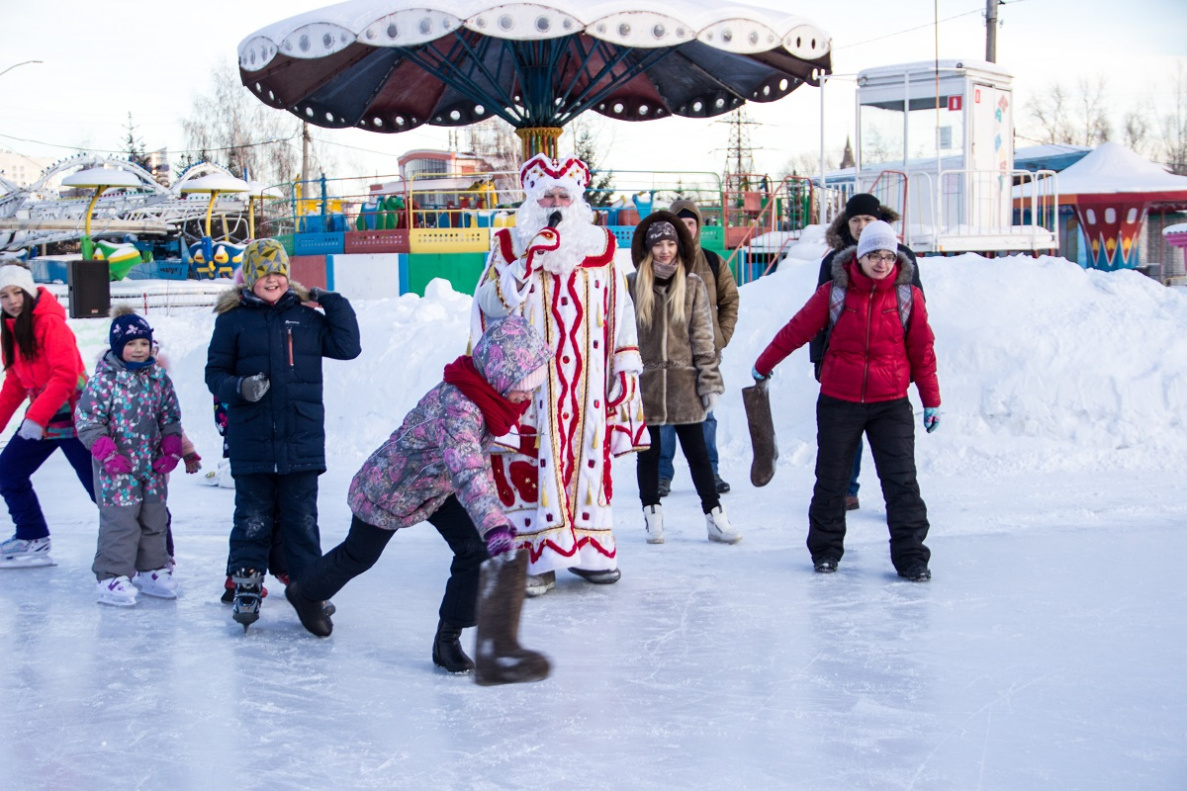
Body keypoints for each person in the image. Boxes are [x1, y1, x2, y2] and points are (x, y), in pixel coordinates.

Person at [289, 315, 552, 685]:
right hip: (392, 486)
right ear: (499, 376)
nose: (528, 396)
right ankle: (303, 592)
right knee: (359, 556)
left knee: (474, 548)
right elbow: (468, 469)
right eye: (523, 387)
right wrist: (494, 522)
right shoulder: (459, 408)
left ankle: (447, 640)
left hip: (437, 486)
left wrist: (489, 522)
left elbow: (470, 467)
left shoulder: (485, 396)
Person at [471, 153, 647, 597]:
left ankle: (589, 553)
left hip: (587, 385)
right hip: (528, 387)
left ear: (577, 201)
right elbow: (486, 305)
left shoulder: (601, 247)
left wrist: (625, 368)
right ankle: (534, 561)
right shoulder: (510, 245)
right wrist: (525, 265)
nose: (554, 203)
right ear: (532, 200)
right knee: (528, 466)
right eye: (546, 195)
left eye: (563, 195)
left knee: (587, 464)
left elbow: (621, 311)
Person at [753, 220, 940, 581]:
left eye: (888, 256)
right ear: (860, 256)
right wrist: (764, 363)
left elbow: (923, 351)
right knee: (831, 480)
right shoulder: (834, 292)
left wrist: (931, 399)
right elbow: (796, 330)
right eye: (875, 255)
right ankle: (825, 551)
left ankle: (912, 557)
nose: (882, 263)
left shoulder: (908, 297)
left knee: (902, 482)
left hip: (891, 404)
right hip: (839, 401)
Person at [205, 238, 361, 629]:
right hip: (252, 440)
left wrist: (332, 300)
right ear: (250, 278)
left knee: (302, 520)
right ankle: (246, 583)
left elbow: (348, 346)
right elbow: (215, 374)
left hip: (300, 440)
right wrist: (240, 387)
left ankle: (310, 586)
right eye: (263, 273)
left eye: (278, 272)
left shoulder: (306, 319)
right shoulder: (233, 320)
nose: (272, 279)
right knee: (252, 517)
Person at [629, 211, 740, 545]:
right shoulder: (632, 285)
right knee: (648, 454)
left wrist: (709, 381)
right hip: (646, 385)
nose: (665, 251)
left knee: (698, 455)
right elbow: (618, 336)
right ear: (648, 248)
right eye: (658, 245)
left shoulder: (691, 285)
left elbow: (703, 338)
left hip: (684, 384)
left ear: (679, 246)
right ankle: (652, 516)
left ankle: (715, 517)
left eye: (670, 244)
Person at [811, 194, 923, 511]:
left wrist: (912, 366)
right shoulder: (834, 261)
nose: (861, 226)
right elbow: (816, 316)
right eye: (856, 220)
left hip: (889, 367)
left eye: (868, 220)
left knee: (893, 444)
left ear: (880, 221)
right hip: (844, 365)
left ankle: (899, 502)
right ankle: (847, 489)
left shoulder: (901, 257)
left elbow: (916, 314)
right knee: (845, 436)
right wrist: (818, 359)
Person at [75, 310, 182, 606]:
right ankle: (112, 576)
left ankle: (152, 570)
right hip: (116, 468)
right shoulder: (104, 381)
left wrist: (172, 444)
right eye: (131, 344)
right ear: (117, 346)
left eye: (144, 344)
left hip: (152, 466)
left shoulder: (159, 379)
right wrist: (107, 453)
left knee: (155, 518)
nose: (138, 350)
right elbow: (88, 421)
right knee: (120, 522)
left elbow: (170, 416)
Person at [0, 264, 95, 568]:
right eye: (4, 296)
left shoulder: (50, 323)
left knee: (100, 488)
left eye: (17, 292)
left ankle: (145, 542)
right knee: (7, 472)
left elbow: (65, 375)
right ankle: (32, 537)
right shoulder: (11, 331)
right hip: (43, 417)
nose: (12, 301)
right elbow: (16, 382)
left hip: (75, 417)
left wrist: (35, 419)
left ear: (28, 291)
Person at [657, 198, 740, 497]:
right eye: (679, 223)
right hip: (665, 354)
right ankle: (661, 476)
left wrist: (720, 337)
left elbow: (730, 301)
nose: (685, 228)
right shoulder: (657, 262)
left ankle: (710, 473)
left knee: (707, 414)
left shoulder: (714, 262)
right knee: (664, 416)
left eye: (690, 223)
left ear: (698, 227)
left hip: (703, 354)